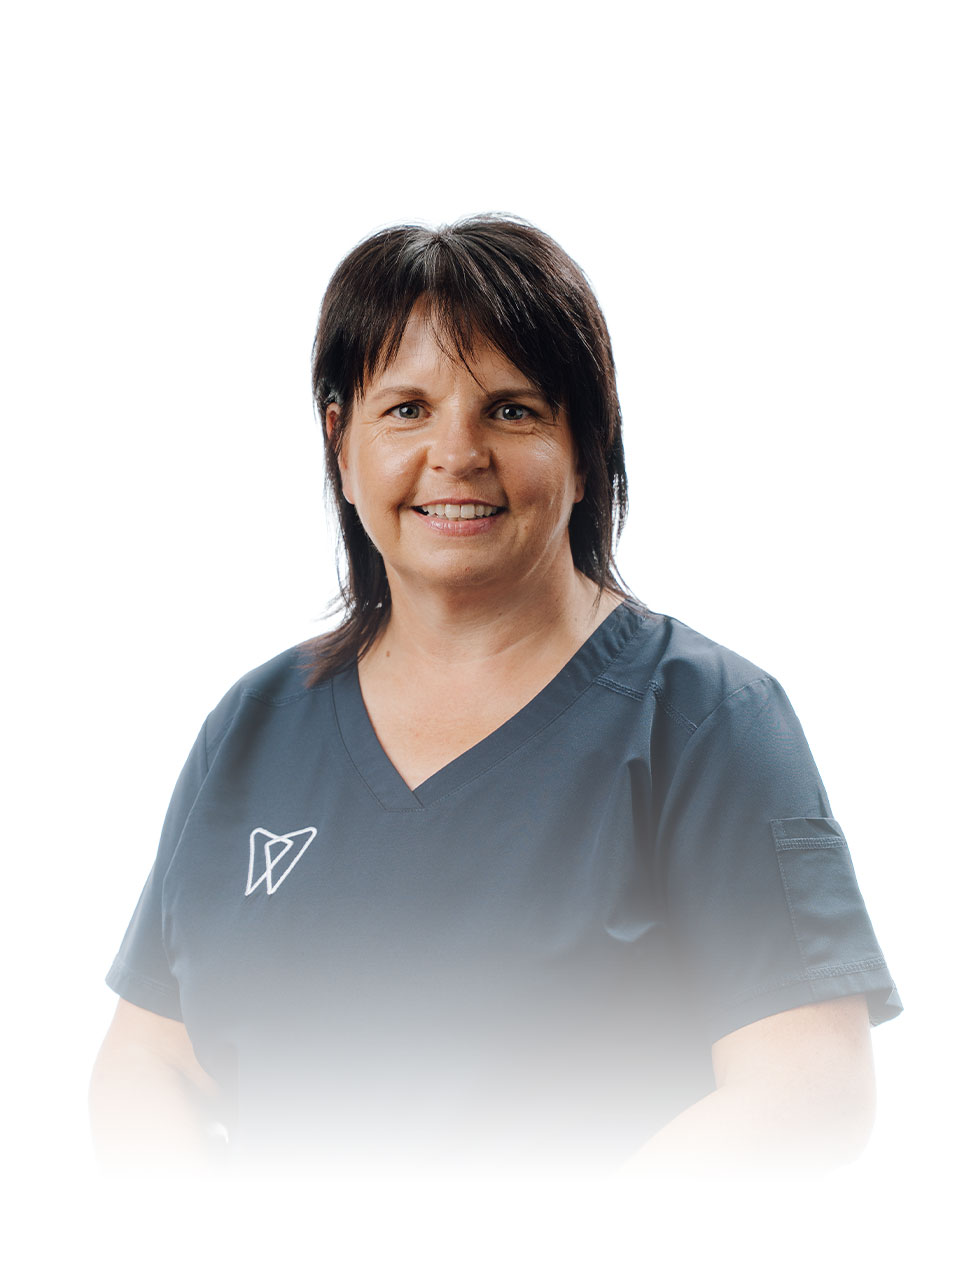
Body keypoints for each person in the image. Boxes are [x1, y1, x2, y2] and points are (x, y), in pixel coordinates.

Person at [89, 214, 901, 1176]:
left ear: (585, 447)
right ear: (341, 444)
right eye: (407, 410)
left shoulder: (705, 720)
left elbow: (809, 1092)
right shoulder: (255, 726)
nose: (457, 453)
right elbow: (151, 1060)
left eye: (512, 411)